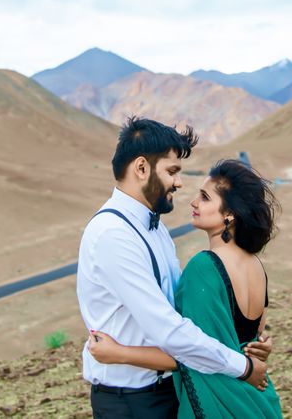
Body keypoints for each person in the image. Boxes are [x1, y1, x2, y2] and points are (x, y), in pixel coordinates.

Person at [77, 118, 272, 418]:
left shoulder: (155, 229)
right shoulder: (113, 234)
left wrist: (248, 344)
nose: (179, 183)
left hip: (174, 389)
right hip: (133, 401)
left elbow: (191, 318)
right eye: (172, 171)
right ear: (141, 168)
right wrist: (243, 366)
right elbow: (170, 331)